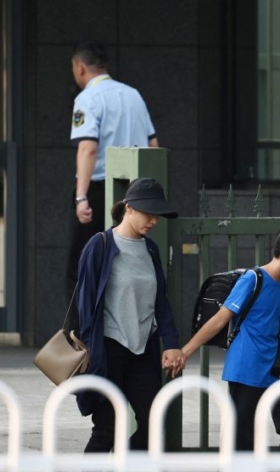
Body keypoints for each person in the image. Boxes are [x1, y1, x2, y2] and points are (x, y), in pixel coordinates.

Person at [178, 226, 280, 472]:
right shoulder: (253, 279)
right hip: (246, 369)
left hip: (273, 371)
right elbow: (220, 320)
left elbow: (274, 326)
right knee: (240, 438)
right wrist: (186, 352)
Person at [75, 178, 183, 472]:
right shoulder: (101, 245)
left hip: (143, 350)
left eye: (157, 215)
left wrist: (171, 342)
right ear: (129, 208)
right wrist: (92, 353)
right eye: (148, 213)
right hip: (108, 350)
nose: (153, 221)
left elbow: (160, 300)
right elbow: (85, 304)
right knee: (107, 428)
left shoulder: (150, 248)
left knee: (151, 423)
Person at [68, 40, 159, 308]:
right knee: (126, 264)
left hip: (98, 191)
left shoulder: (87, 98)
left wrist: (81, 197)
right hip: (135, 193)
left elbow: (88, 148)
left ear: (80, 67)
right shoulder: (133, 95)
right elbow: (154, 145)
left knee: (83, 266)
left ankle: (80, 337)